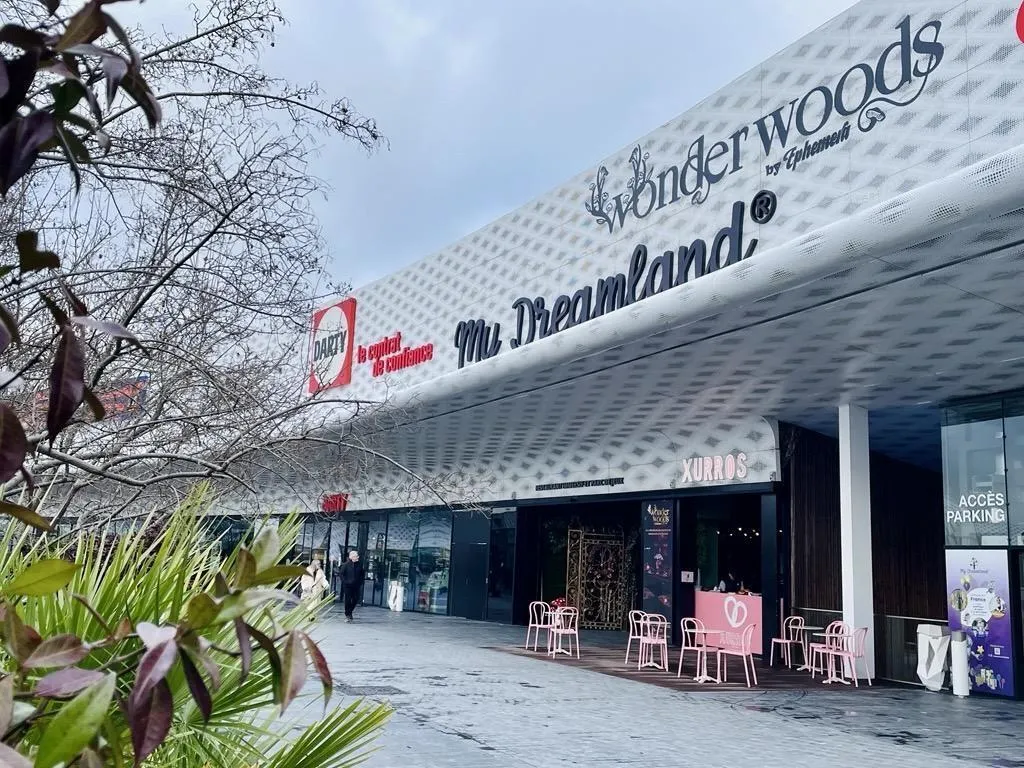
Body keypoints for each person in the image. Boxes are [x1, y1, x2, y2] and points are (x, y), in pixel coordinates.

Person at [340, 550, 365, 623]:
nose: (358, 557)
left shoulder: (359, 565)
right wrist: (345, 582)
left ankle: (350, 611)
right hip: (347, 586)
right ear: (351, 557)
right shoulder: (346, 565)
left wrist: (360, 582)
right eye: (356, 556)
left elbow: (362, 574)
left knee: (356, 599)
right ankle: (348, 614)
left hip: (356, 585)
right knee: (348, 600)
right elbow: (341, 574)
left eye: (357, 556)